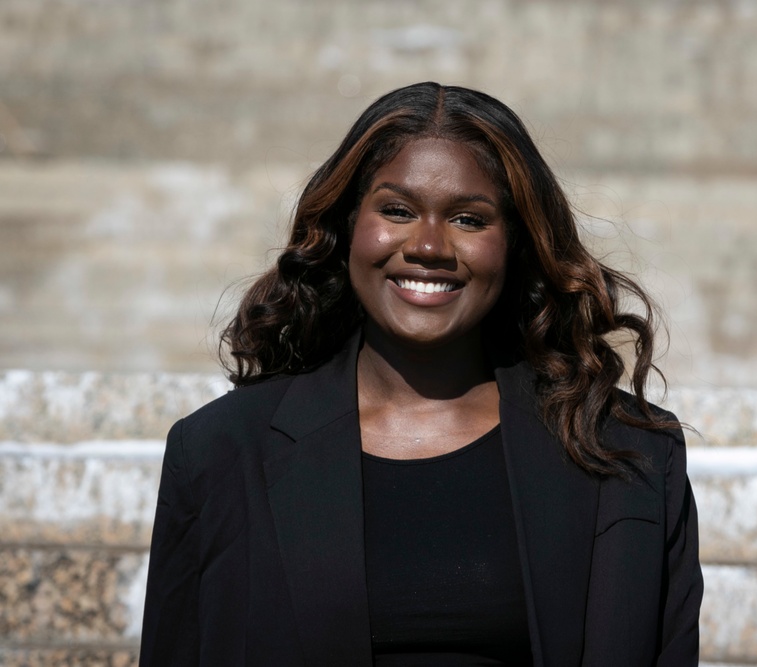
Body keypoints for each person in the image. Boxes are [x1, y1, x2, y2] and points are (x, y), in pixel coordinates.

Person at [139, 81, 702, 666]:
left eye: (468, 218)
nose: (429, 246)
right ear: (348, 227)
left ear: (516, 243)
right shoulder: (219, 453)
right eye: (397, 211)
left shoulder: (630, 453)